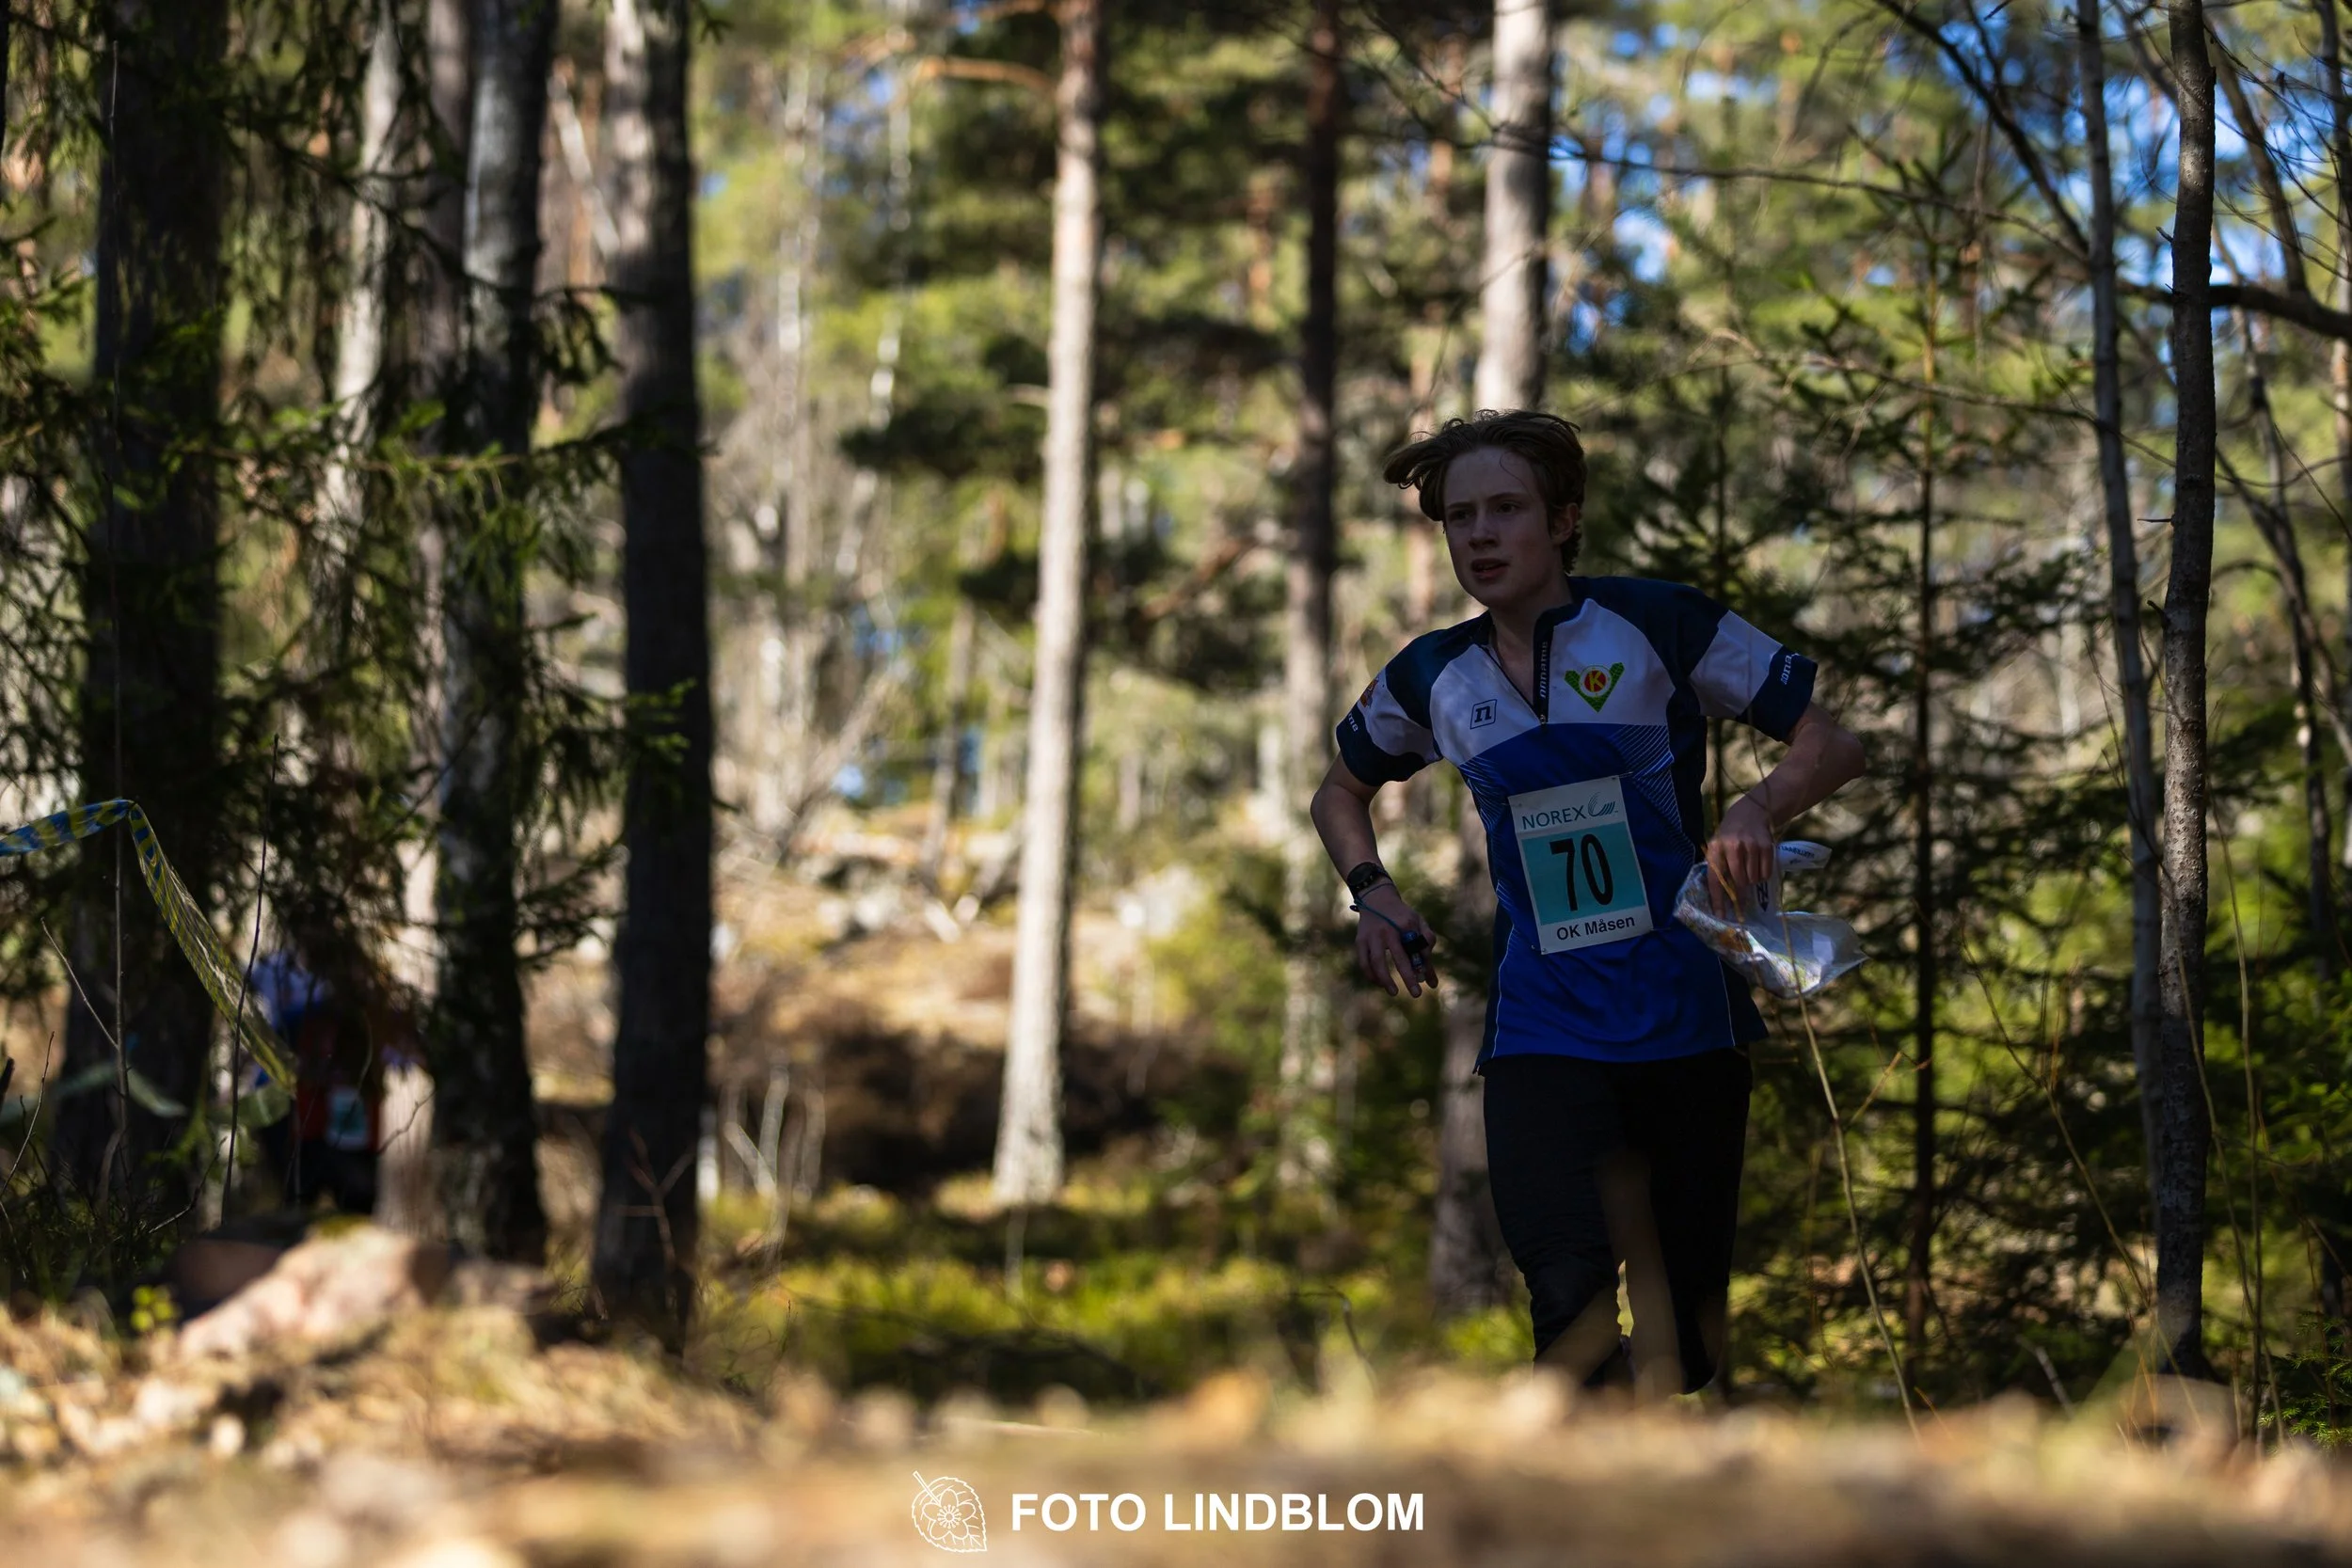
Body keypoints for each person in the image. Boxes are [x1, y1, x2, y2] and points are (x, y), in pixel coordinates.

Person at [1311, 410, 1865, 1397]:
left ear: (1563, 521)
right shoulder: (1434, 672)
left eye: (1506, 510)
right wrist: (1374, 895)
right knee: (1565, 1304)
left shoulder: (1657, 622)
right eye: (1460, 517)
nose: (1479, 535)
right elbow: (1337, 791)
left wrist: (1755, 804)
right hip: (1542, 1027)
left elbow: (1830, 741)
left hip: (1685, 1020)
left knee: (1683, 1346)